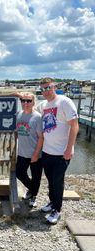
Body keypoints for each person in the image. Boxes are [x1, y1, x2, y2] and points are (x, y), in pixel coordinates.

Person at [38, 77, 79, 224]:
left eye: (48, 87)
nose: (46, 91)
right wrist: (17, 96)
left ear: (54, 86)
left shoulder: (64, 102)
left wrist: (70, 148)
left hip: (62, 152)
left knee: (57, 181)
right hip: (47, 151)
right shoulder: (43, 105)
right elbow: (28, 107)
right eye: (43, 89)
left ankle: (57, 209)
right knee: (50, 180)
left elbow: (74, 126)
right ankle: (51, 202)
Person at [15, 92, 43, 208]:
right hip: (22, 153)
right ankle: (32, 190)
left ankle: (34, 196)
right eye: (23, 101)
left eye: (28, 101)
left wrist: (36, 154)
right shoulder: (18, 115)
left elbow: (41, 137)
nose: (25, 103)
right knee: (19, 173)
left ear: (33, 103)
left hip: (35, 154)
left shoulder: (37, 117)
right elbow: (17, 132)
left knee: (36, 176)